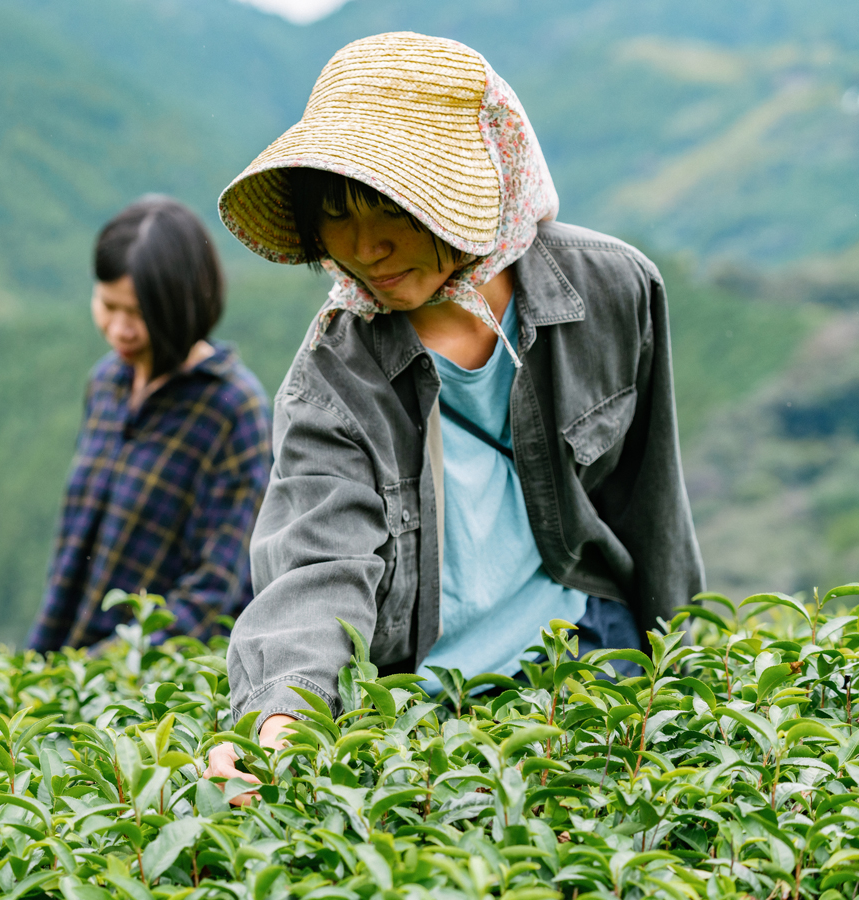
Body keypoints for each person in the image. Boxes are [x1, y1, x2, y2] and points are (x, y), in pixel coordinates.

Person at [206, 31, 704, 779]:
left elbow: (651, 502)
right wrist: (279, 725)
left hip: (592, 658)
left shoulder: (613, 291)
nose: (367, 247)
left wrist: (687, 679)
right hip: (429, 704)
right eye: (338, 216)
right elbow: (316, 568)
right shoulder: (332, 382)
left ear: (472, 190)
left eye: (392, 207)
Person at [28, 195, 273, 652]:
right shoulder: (106, 383)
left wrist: (106, 665)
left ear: (182, 305)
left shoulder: (232, 409)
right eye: (107, 304)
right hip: (63, 658)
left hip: (139, 690)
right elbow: (72, 557)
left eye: (138, 314)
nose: (119, 329)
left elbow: (216, 589)